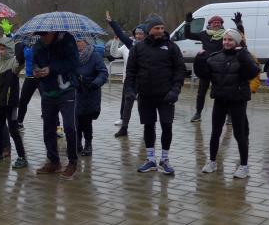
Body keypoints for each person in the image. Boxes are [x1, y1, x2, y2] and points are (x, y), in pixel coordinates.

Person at [124, 14, 186, 175]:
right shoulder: (138, 48)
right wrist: (130, 90)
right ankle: (150, 159)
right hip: (145, 95)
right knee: (149, 126)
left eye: (162, 28)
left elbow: (180, 70)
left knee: (167, 126)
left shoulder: (171, 47)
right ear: (149, 30)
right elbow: (131, 71)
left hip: (166, 96)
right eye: (156, 28)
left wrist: (175, 90)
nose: (160, 31)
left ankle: (165, 159)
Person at [197, 29, 260, 178]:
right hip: (220, 100)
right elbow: (203, 74)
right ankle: (212, 161)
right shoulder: (215, 57)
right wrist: (199, 61)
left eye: (230, 40)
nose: (227, 42)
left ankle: (244, 166)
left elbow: (253, 72)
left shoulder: (244, 55)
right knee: (215, 132)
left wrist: (243, 56)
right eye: (225, 39)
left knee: (239, 133)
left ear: (237, 41)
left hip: (237, 100)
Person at [31, 31, 80, 179]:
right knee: (48, 128)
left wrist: (51, 69)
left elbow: (74, 62)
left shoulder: (67, 40)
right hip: (48, 91)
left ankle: (72, 162)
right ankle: (53, 161)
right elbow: (35, 62)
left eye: (45, 35)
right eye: (40, 35)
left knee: (69, 127)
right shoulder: (38, 44)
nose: (43, 38)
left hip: (67, 89)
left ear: (53, 32)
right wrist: (36, 70)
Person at [186, 13, 243, 122]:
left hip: (221, 67)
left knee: (225, 92)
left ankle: (229, 116)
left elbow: (240, 35)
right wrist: (188, 23)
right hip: (207, 67)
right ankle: (198, 113)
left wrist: (239, 24)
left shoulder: (226, 34)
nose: (216, 24)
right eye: (214, 22)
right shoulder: (204, 34)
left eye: (218, 23)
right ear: (210, 24)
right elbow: (188, 35)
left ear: (222, 24)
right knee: (201, 92)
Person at [0, 38, 28, 169]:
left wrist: (18, 43)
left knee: (13, 130)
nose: (0, 51)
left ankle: (22, 157)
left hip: (11, 103)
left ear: (9, 49)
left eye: (3, 49)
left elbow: (21, 60)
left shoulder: (14, 62)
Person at [106, 11, 145, 137]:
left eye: (141, 34)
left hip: (145, 80)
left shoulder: (149, 46)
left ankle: (147, 125)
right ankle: (124, 126)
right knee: (127, 102)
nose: (138, 36)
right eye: (136, 34)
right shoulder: (130, 44)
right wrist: (112, 23)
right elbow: (121, 35)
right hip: (130, 79)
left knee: (144, 104)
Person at [75, 38, 109, 157]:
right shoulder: (71, 55)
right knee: (75, 120)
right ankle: (77, 143)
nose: (78, 43)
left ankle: (88, 145)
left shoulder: (94, 55)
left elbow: (103, 72)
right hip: (75, 92)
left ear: (87, 42)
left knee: (86, 120)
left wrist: (95, 83)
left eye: (80, 40)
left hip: (89, 92)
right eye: (76, 41)